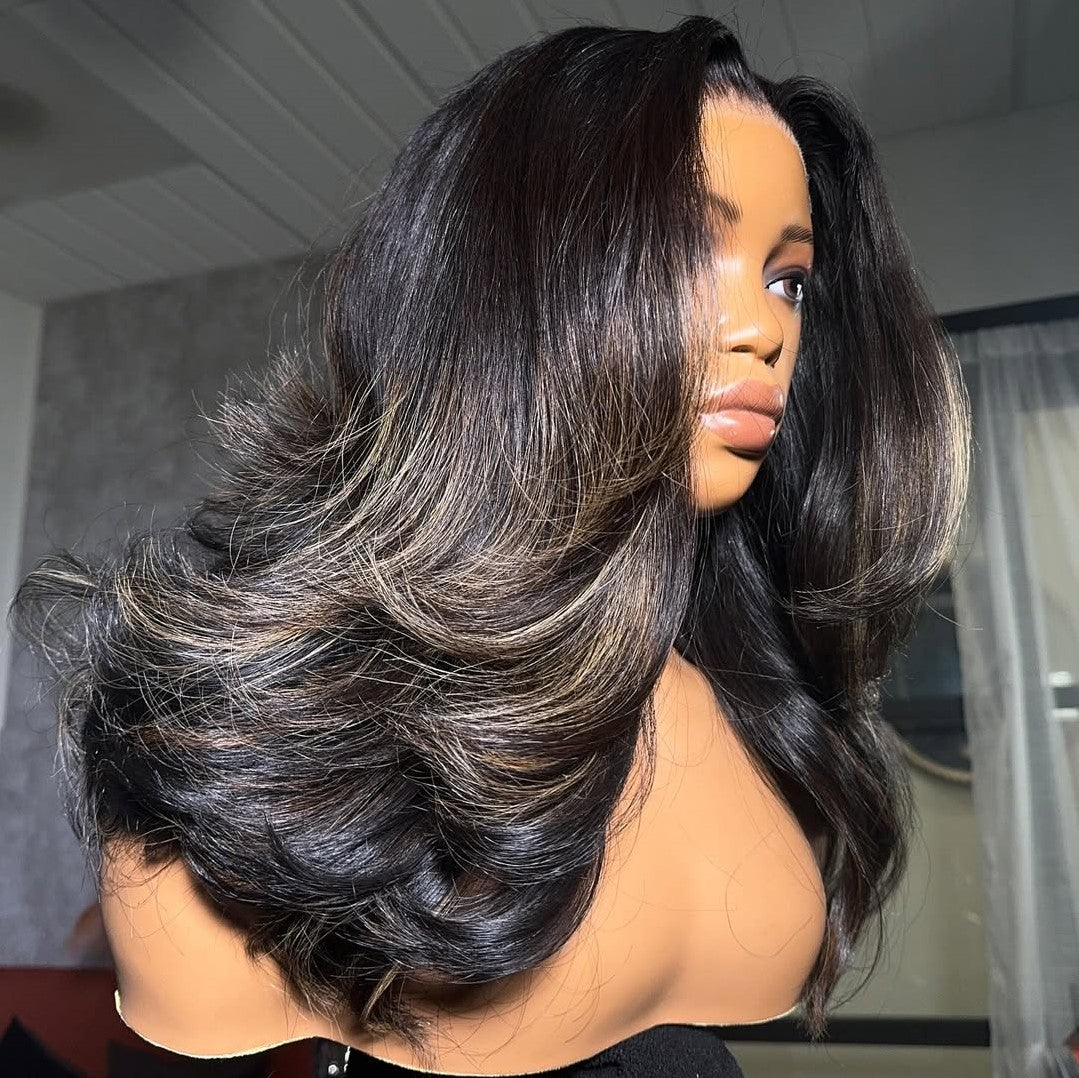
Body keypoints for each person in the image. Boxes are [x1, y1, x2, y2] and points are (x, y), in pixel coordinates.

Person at [9, 14, 971, 1077]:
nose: (765, 327)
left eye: (785, 277)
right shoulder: (240, 758)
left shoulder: (735, 702)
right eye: (685, 250)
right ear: (506, 286)